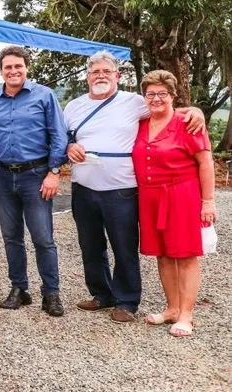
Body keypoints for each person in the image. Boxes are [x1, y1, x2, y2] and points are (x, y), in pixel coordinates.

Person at [64, 52, 205, 323]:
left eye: (107, 71)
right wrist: (70, 146)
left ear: (117, 76)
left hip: (121, 189)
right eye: (95, 72)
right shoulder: (73, 107)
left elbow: (166, 106)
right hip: (83, 187)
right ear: (87, 77)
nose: (101, 76)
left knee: (124, 246)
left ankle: (127, 300)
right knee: (90, 245)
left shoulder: (133, 102)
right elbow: (63, 138)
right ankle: (101, 294)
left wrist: (195, 110)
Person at [0, 46, 68, 317]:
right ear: (1, 70)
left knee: (43, 237)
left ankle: (51, 293)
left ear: (26, 67)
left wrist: (54, 172)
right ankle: (19, 288)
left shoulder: (44, 95)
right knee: (11, 237)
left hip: (36, 176)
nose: (13, 71)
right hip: (4, 176)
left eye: (18, 66)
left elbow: (59, 134)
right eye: (8, 67)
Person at [132, 70, 215, 337]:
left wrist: (208, 201)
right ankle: (172, 309)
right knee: (163, 254)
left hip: (182, 194)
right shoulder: (141, 122)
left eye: (162, 94)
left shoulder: (187, 122)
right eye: (150, 93)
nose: (156, 99)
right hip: (150, 195)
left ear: (173, 95)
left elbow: (206, 162)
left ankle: (187, 316)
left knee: (186, 255)